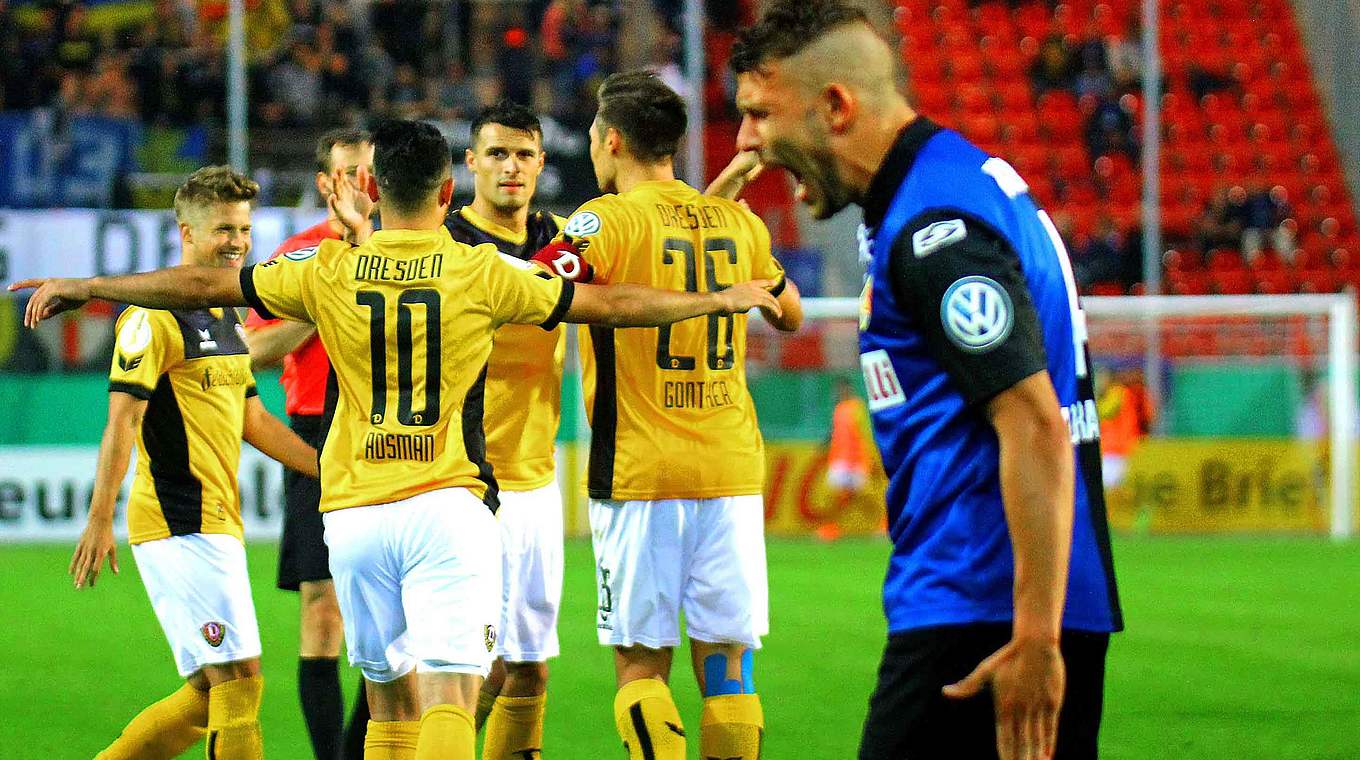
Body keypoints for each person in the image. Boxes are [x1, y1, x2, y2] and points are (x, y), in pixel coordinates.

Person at [13, 118, 782, 760]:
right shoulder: (483, 271)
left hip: (354, 514)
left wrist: (88, 286)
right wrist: (713, 298)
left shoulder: (327, 269)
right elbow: (608, 305)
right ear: (449, 193)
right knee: (450, 695)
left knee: (387, 705)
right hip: (446, 503)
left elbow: (200, 286)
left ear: (373, 189)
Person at [730, 4, 1123, 760]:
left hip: (982, 612)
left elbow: (1036, 422)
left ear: (835, 106)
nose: (747, 141)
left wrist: (1034, 637)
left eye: (760, 113)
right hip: (1005, 604)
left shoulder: (935, 227)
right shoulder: (949, 184)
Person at [541, 71, 803, 760]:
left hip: (640, 471)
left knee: (640, 669)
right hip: (729, 469)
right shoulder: (739, 222)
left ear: (612, 141)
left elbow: (540, 287)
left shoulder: (603, 220)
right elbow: (790, 312)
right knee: (729, 672)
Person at [67, 166, 320, 760]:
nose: (237, 242)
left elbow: (253, 420)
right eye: (223, 230)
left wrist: (333, 471)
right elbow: (122, 423)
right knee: (240, 680)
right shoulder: (150, 318)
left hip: (216, 520)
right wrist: (100, 518)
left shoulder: (227, 315)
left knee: (210, 694)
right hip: (179, 520)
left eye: (244, 230)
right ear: (187, 233)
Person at [243, 128, 374, 760]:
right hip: (318, 431)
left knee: (391, 620)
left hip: (391, 430)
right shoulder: (299, 256)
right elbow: (252, 350)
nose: (363, 184)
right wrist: (320, 304)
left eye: (372, 171)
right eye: (350, 172)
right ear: (325, 183)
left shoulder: (407, 248)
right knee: (323, 609)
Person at [449, 101, 569, 759]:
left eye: (524, 155)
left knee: (529, 668)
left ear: (541, 163)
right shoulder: (448, 242)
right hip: (464, 482)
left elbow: (654, 225)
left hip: (536, 483)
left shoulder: (562, 241)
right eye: (497, 153)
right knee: (474, 669)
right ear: (471, 163)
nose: (511, 167)